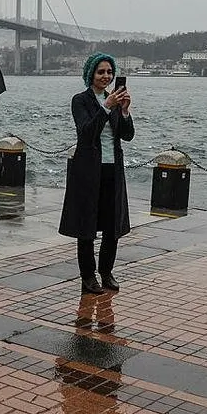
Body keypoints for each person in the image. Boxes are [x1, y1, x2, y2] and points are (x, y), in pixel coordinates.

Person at [58, 53, 134, 295]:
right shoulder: (80, 100)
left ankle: (106, 272)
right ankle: (88, 277)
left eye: (110, 72)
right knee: (86, 226)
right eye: (101, 72)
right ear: (91, 74)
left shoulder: (115, 100)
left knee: (113, 225)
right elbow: (86, 133)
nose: (106, 76)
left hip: (113, 169)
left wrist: (124, 111)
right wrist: (106, 107)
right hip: (88, 170)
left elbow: (127, 135)